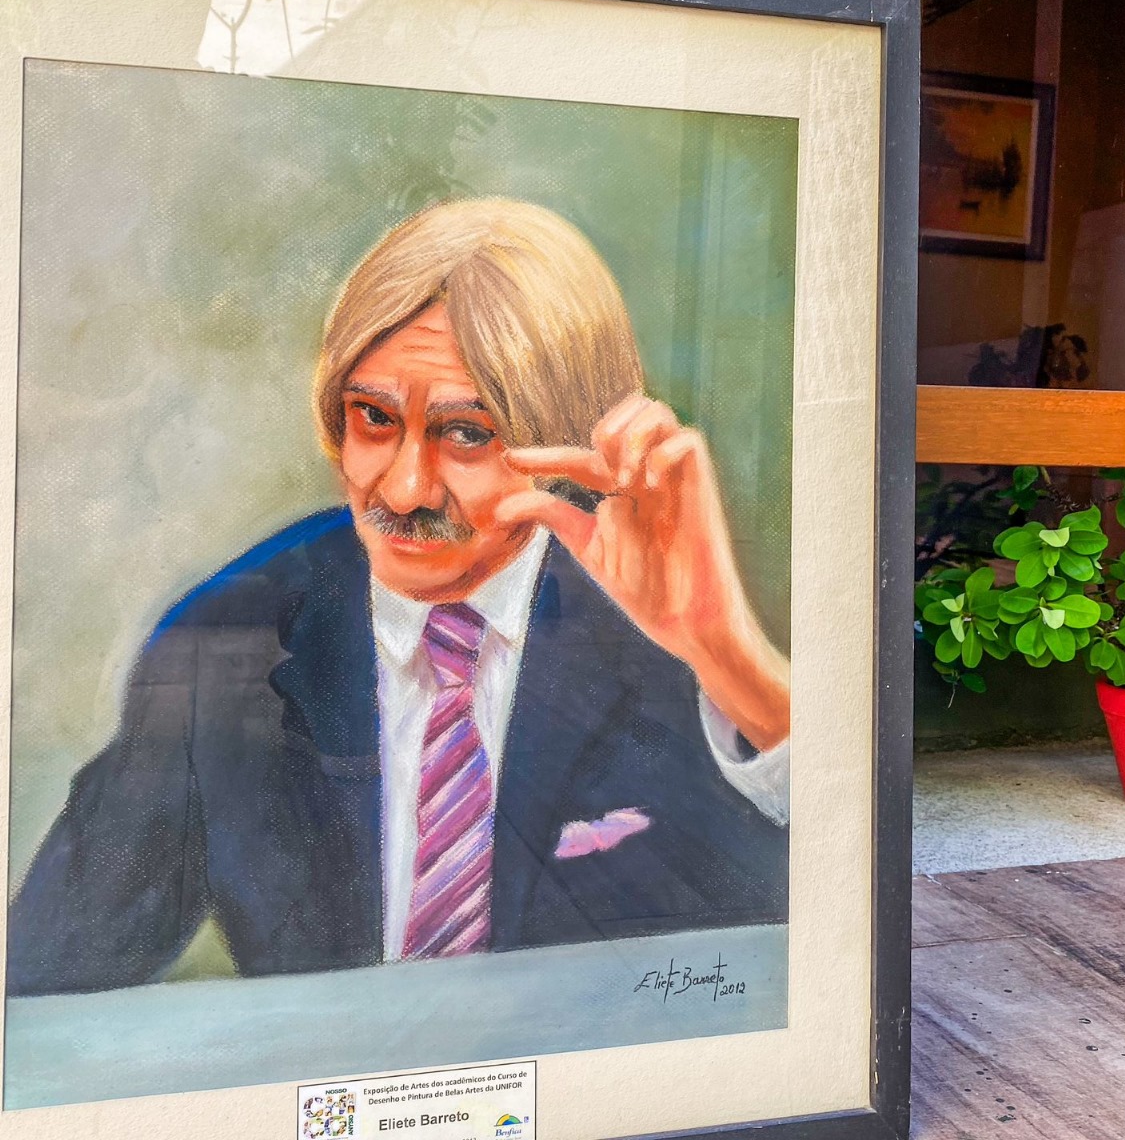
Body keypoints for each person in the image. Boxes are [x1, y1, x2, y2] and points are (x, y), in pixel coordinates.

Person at [8, 198, 791, 995]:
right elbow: (41, 989)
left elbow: (821, 932)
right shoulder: (225, 646)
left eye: (467, 433)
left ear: (567, 445)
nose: (404, 489)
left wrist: (723, 651)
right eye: (373, 418)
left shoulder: (660, 626)